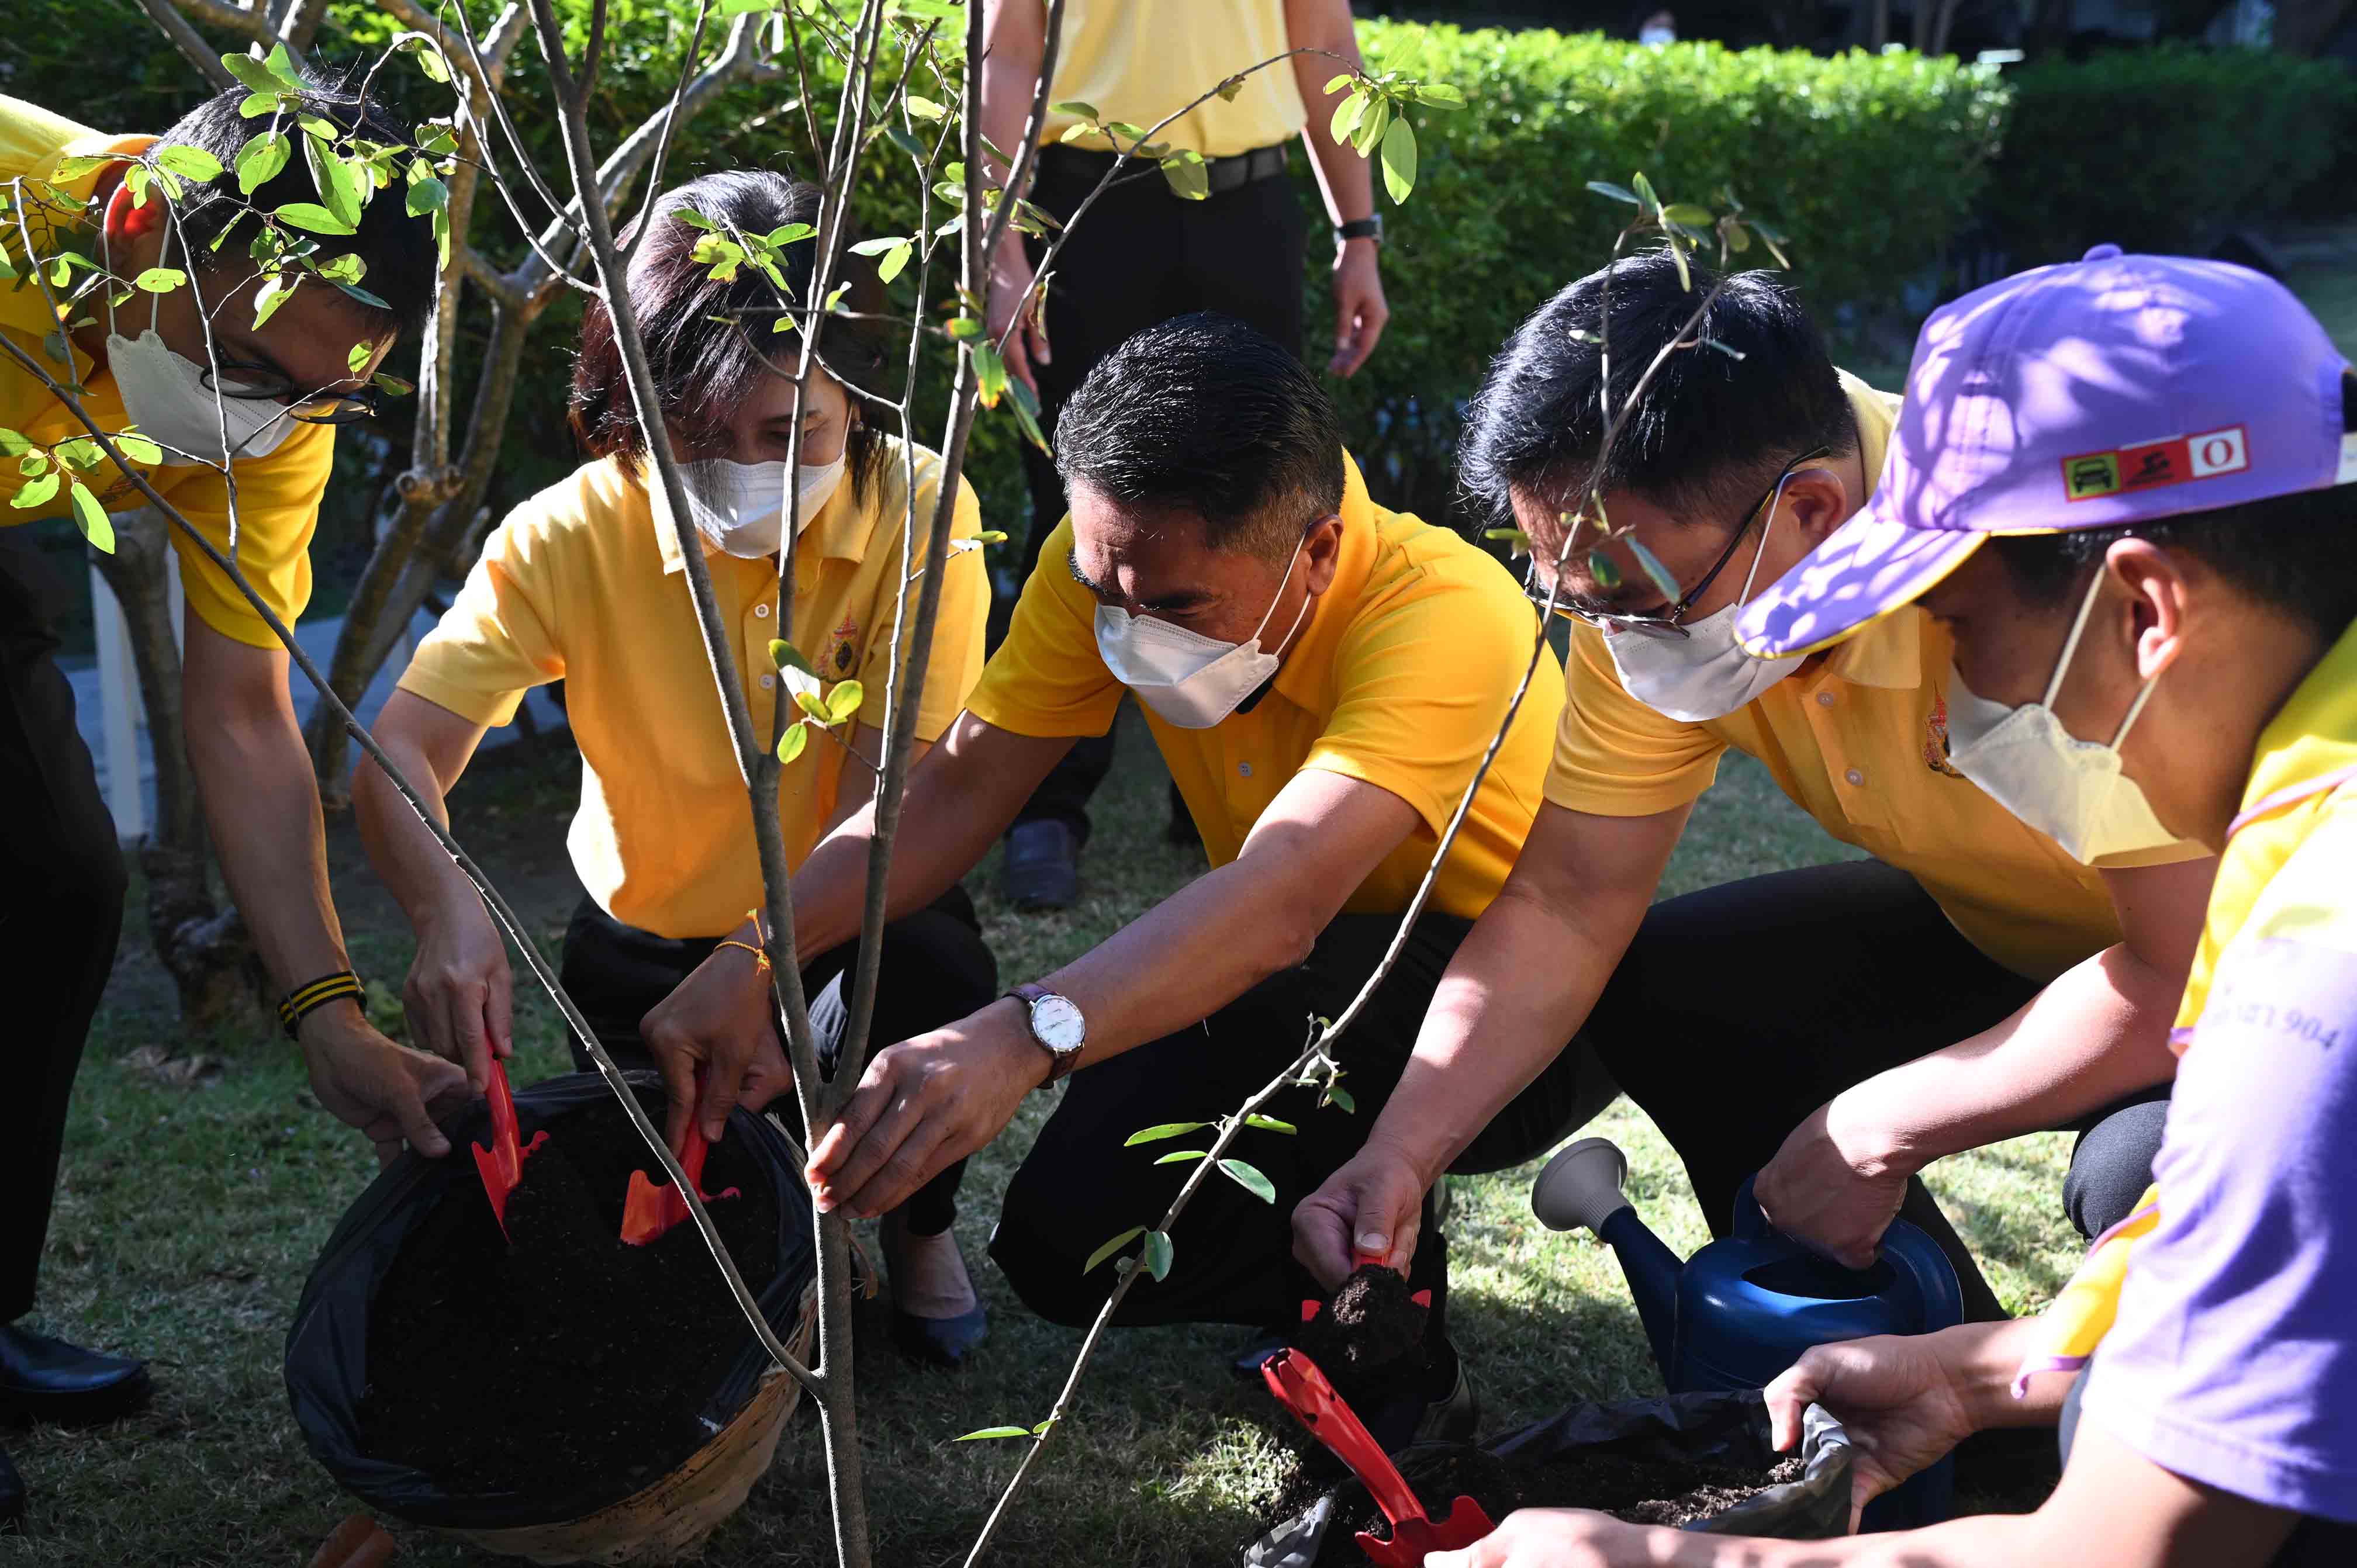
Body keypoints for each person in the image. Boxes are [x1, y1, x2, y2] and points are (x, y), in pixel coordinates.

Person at [1426, 254, 2357, 1568]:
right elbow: (2216, 1244)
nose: (1954, 698)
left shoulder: (2318, 972)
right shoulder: (2300, 810)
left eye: (1958, 626)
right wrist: (1993, 1368)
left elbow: (2132, 1549)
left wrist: (1674, 1560)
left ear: (2147, 607)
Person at [644, 313, 1563, 1441]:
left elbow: (1283, 898)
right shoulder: (1116, 565)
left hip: (1498, 1009)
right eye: (1103, 588)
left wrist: (1024, 1033)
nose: (1126, 627)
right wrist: (757, 954)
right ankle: (1309, 1265)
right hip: (1284, 977)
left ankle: (1390, 1345)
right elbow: (957, 787)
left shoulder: (1447, 615)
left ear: (1318, 550)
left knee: (1314, 989)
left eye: (1174, 607)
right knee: (1064, 1244)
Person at [1294, 254, 2214, 1330]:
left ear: (1815, 509)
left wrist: (1884, 1122)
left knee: (2150, 1170)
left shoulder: (2034, 560)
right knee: (1680, 990)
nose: (1618, 637)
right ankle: (1886, 1376)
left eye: (1638, 602)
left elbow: (2188, 964)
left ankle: (2061, 1407)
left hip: (2255, 963)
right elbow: (1568, 902)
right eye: (1578, 600)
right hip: (2026, 930)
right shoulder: (1646, 574)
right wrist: (1401, 1153)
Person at [353, 169, 999, 1366]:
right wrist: (446, 911)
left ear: (856, 395)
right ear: (637, 405)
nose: (750, 470)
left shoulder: (922, 511)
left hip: (849, 912)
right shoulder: (568, 534)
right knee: (672, 1211)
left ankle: (921, 1228)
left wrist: (766, 968)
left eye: (791, 434)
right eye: (700, 435)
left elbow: (888, 798)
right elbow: (399, 751)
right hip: (642, 943)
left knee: (931, 986)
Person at [0, 81, 447, 1513]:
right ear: (138, 229)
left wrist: (328, 1011)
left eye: (322, 393)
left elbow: (244, 714)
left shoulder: (276, 408)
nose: (269, 422)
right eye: (253, 364)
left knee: (56, 881)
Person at [977, 0, 1391, 909]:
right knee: (1077, 504)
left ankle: (1244, 791)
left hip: (1251, 212)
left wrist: (1357, 235)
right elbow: (1008, 54)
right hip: (1089, 209)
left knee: (1262, 506)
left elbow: (1325, 43)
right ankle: (1046, 809)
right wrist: (1000, 246)